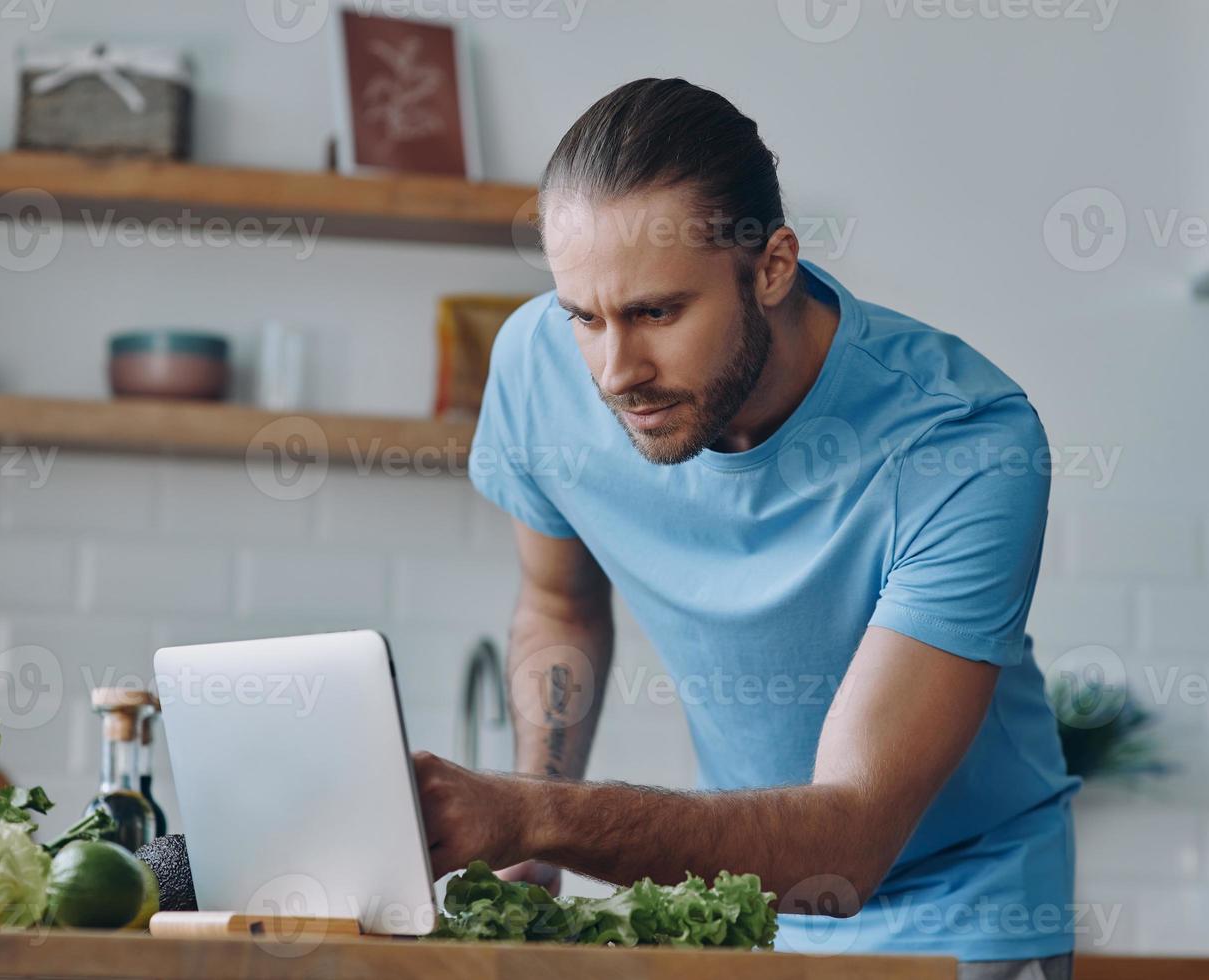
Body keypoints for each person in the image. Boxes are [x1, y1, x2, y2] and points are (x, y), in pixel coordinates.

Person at [414, 77, 1078, 979]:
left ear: (771, 267)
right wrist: (536, 823)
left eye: (656, 312)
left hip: (961, 914)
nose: (614, 371)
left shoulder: (961, 441)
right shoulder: (538, 367)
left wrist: (538, 816)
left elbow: (851, 836)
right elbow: (558, 602)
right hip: (751, 906)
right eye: (584, 316)